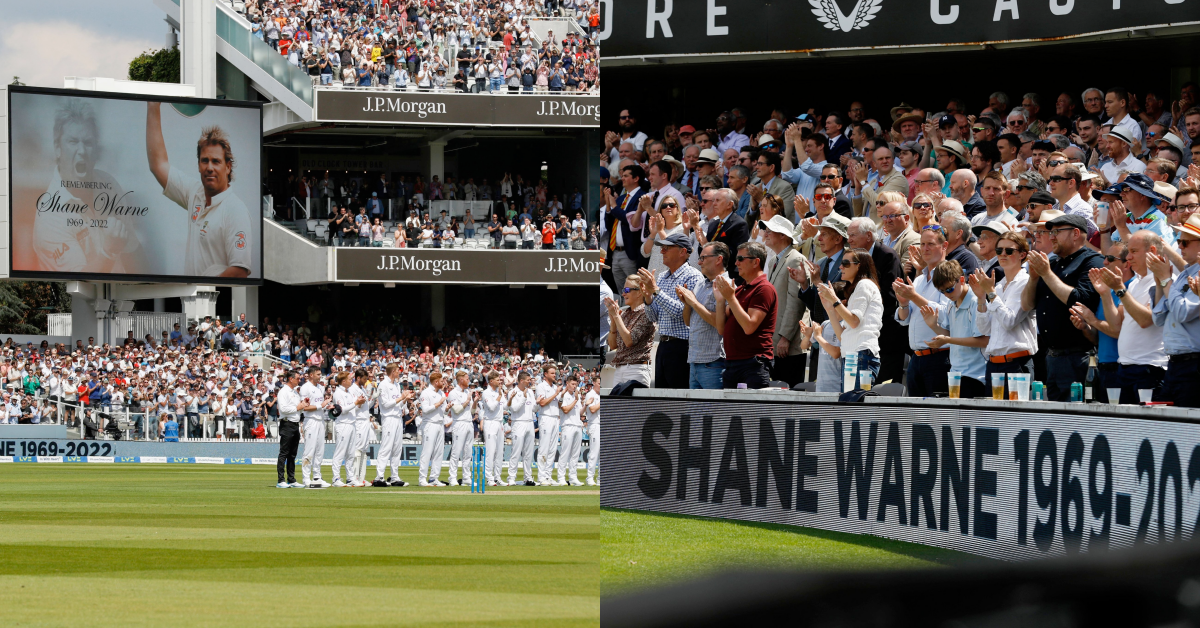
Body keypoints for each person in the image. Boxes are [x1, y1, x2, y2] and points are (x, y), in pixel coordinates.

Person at [145, 102, 252, 278]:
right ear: (198, 165)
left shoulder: (235, 210)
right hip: (193, 301)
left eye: (216, 161)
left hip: (214, 303)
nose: (210, 167)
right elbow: (158, 164)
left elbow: (239, 271)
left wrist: (204, 291)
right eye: (205, 160)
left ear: (228, 167)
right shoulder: (195, 193)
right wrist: (153, 105)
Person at [1021, 214, 1105, 401]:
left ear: (1076, 234)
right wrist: (1034, 278)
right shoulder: (1051, 265)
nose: (1051, 237)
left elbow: (1080, 299)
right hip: (1051, 358)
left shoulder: (1092, 262)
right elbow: (1027, 305)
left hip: (1078, 357)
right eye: (1050, 232)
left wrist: (1046, 274)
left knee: (1077, 420)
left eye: (1057, 232)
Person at [1095, 230, 1170, 403]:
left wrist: (1120, 289)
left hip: (1150, 368)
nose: (1128, 257)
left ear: (1151, 251)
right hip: (1125, 367)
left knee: (1147, 427)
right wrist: (1105, 294)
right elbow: (1115, 325)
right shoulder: (1136, 282)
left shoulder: (1163, 280)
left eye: (1134, 251)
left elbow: (1145, 320)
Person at [972, 232, 1038, 398]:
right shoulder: (999, 286)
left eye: (1009, 251)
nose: (1002, 254)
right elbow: (984, 328)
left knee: (1016, 420)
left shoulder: (1025, 282)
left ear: (1022, 254)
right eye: (999, 250)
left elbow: (1009, 321)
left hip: (1016, 365)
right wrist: (981, 297)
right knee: (993, 421)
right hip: (994, 365)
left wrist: (990, 293)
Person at [640, 233, 704, 389]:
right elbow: (653, 317)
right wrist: (648, 298)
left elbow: (681, 313)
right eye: (662, 248)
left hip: (683, 347)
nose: (662, 251)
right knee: (662, 398)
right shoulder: (661, 277)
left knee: (678, 398)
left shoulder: (693, 276)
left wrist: (655, 290)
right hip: (663, 346)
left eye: (667, 248)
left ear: (683, 252)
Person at [894, 226, 952, 396]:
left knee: (936, 415)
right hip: (916, 358)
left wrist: (914, 297)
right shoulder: (919, 279)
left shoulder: (949, 275)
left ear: (944, 246)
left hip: (940, 357)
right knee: (915, 417)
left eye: (930, 244)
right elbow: (904, 319)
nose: (925, 248)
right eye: (922, 244)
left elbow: (947, 315)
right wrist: (904, 303)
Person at [920, 261, 990, 398]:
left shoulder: (976, 302)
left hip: (976, 376)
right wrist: (934, 326)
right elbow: (952, 336)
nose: (947, 294)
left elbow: (983, 340)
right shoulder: (951, 304)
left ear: (962, 280)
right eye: (942, 291)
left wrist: (948, 339)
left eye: (949, 289)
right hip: (956, 375)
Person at [1152, 213, 1200, 407]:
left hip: (1193, 366)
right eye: (1179, 241)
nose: (1179, 246)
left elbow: (1181, 312)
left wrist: (1165, 280)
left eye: (1185, 242)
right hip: (1175, 365)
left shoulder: (1192, 276)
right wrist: (1160, 281)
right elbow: (1159, 317)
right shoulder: (1184, 275)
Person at [715, 241, 778, 388]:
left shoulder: (764, 288)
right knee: (730, 411)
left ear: (756, 262)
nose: (736, 263)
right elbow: (721, 329)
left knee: (752, 411)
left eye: (741, 259)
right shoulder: (740, 289)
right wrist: (720, 301)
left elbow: (749, 327)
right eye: (736, 259)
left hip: (753, 363)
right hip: (732, 362)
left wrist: (730, 298)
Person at [820, 248, 883, 388]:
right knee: (850, 405)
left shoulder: (864, 284)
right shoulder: (857, 289)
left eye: (845, 263)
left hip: (861, 354)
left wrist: (835, 300)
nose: (840, 266)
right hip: (853, 355)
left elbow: (854, 321)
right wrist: (830, 310)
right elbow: (843, 337)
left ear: (859, 265)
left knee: (855, 405)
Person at [760, 215, 809, 386]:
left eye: (769, 230)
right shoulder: (775, 259)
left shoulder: (795, 258)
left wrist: (785, 337)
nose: (765, 233)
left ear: (783, 235)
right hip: (776, 342)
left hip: (789, 345)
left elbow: (796, 301)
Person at [604, 276, 656, 387]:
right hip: (619, 369)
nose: (623, 294)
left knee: (635, 405)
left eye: (627, 290)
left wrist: (616, 316)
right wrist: (613, 320)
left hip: (637, 370)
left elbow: (629, 341)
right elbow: (613, 345)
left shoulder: (647, 313)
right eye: (623, 290)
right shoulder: (624, 313)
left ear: (639, 293)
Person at [373, 363, 414, 487]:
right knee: (386, 447)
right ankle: (379, 477)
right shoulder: (383, 385)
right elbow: (385, 404)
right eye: (397, 371)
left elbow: (398, 405)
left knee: (397, 448)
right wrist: (401, 397)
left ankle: (394, 477)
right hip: (388, 418)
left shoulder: (396, 385)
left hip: (397, 418)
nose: (399, 373)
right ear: (393, 372)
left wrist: (405, 399)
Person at [445, 371, 478, 487]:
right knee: (456, 451)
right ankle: (452, 477)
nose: (469, 380)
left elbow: (473, 411)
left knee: (468, 452)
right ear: (461, 380)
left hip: (469, 422)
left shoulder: (467, 393)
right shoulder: (453, 393)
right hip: (459, 423)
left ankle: (466, 477)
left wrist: (475, 402)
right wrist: (468, 400)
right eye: (467, 378)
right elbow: (457, 410)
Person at [298, 366, 330, 488]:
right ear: (311, 375)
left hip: (320, 420)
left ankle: (317, 476)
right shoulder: (305, 388)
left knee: (319, 451)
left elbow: (320, 405)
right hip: (310, 421)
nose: (320, 376)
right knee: (309, 450)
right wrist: (321, 405)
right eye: (317, 374)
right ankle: (306, 478)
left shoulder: (320, 387)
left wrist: (327, 406)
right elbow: (304, 407)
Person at [506, 371, 538, 486]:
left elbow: (534, 409)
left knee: (528, 453)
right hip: (518, 423)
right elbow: (514, 409)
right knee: (516, 451)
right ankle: (511, 477)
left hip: (530, 422)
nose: (530, 382)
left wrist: (538, 403)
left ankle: (528, 477)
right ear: (521, 381)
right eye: (528, 380)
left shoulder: (530, 392)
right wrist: (523, 398)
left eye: (530, 380)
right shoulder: (513, 392)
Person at [417, 371, 448, 487]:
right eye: (441, 381)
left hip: (440, 423)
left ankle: (434, 478)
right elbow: (425, 410)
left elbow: (444, 410)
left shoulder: (441, 392)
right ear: (436, 382)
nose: (443, 383)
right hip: (429, 424)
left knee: (439, 452)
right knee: (427, 451)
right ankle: (422, 479)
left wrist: (447, 407)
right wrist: (439, 403)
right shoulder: (426, 393)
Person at [330, 371, 360, 487]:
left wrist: (358, 403)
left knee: (350, 454)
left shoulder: (349, 392)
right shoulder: (338, 393)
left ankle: (350, 478)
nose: (351, 380)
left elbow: (352, 409)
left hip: (351, 423)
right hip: (343, 424)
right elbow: (342, 409)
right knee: (340, 452)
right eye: (349, 379)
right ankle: (336, 478)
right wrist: (356, 402)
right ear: (343, 381)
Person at [535, 364, 563, 486]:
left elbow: (558, 405)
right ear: (545, 374)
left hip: (555, 418)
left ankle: (548, 475)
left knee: (552, 449)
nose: (554, 375)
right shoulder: (541, 386)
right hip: (545, 418)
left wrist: (560, 395)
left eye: (555, 373)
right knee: (544, 448)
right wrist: (556, 394)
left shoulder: (554, 387)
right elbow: (542, 403)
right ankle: (541, 477)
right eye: (552, 373)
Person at [274, 371, 304, 488]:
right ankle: (281, 480)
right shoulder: (283, 392)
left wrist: (302, 406)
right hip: (287, 424)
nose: (299, 380)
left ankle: (291, 479)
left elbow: (298, 409)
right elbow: (283, 409)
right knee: (284, 453)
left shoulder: (295, 393)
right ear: (291, 379)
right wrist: (298, 407)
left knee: (292, 454)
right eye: (297, 378)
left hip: (295, 424)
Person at [480, 371, 506, 487]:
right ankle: (489, 478)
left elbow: (506, 406)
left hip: (500, 422)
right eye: (497, 379)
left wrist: (504, 395)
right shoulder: (486, 393)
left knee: (500, 452)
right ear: (491, 381)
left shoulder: (499, 392)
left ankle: (497, 477)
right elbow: (491, 407)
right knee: (490, 452)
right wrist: (500, 396)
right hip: (490, 423)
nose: (500, 381)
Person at [558, 375, 585, 486]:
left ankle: (573, 477)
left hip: (577, 425)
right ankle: (561, 477)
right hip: (567, 425)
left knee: (575, 454)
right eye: (573, 384)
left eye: (576, 384)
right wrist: (576, 400)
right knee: (565, 452)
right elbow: (565, 410)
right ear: (567, 384)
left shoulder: (576, 396)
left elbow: (580, 413)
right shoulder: (563, 395)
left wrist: (586, 405)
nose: (575, 386)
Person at [584, 380, 601, 486]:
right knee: (594, 453)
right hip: (595, 424)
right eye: (599, 383)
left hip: (602, 424)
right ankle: (590, 477)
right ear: (594, 383)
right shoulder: (590, 394)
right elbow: (593, 409)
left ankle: (600, 478)